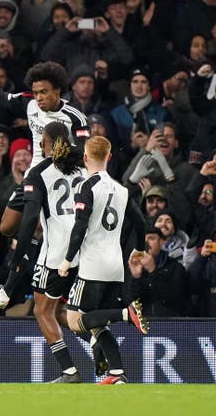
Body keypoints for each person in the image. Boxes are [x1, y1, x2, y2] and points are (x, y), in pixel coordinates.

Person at [0, 122, 87, 382]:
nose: (39, 144)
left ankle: (69, 370)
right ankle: (103, 348)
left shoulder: (39, 172)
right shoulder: (84, 168)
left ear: (46, 143)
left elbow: (29, 220)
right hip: (85, 246)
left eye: (42, 140)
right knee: (66, 309)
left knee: (43, 310)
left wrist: (17, 259)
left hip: (56, 249)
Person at [57, 136, 148, 384]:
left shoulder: (87, 187)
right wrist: (139, 248)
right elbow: (141, 222)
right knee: (98, 323)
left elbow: (80, 226)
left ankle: (126, 314)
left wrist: (67, 260)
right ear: (109, 157)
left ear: (85, 158)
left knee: (75, 322)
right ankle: (117, 374)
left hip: (92, 265)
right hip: (115, 266)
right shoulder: (122, 190)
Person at [0, 60, 90, 169]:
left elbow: (82, 153)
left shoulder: (76, 118)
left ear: (57, 91)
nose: (39, 98)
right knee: (12, 204)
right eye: (35, 93)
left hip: (65, 175)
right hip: (36, 174)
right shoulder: (29, 103)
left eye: (43, 92)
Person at [129, 226, 190, 317]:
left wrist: (153, 271)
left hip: (171, 325)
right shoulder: (135, 268)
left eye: (151, 238)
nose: (146, 243)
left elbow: (170, 299)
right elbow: (132, 303)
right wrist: (136, 277)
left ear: (162, 242)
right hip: (144, 326)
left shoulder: (175, 267)